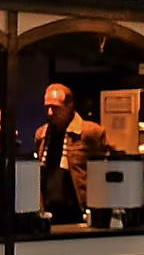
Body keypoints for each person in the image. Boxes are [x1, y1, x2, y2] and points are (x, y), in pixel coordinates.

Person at [33, 84, 107, 224]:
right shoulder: (42, 134)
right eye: (47, 107)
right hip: (49, 207)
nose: (50, 112)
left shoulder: (90, 132)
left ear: (69, 106)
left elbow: (106, 167)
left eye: (55, 107)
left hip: (77, 208)